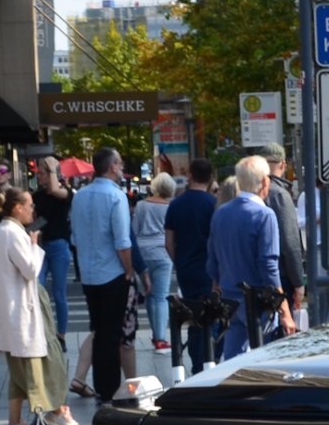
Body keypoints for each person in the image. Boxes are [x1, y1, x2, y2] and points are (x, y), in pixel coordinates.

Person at [0, 185, 77, 425]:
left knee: (18, 373)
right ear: (18, 208)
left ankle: (14, 423)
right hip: (22, 314)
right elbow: (31, 270)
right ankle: (54, 412)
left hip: (7, 313)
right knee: (40, 367)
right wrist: (34, 244)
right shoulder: (14, 234)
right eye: (29, 206)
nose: (32, 210)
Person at [69, 146, 135, 401]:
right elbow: (123, 242)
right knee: (111, 333)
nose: (121, 167)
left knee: (99, 329)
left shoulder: (79, 196)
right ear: (112, 167)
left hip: (89, 274)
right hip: (112, 274)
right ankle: (108, 389)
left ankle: (101, 386)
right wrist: (128, 270)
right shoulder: (116, 197)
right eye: (119, 163)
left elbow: (75, 237)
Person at [207, 155, 283, 360]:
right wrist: (282, 306)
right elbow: (268, 265)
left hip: (230, 297)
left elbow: (212, 261)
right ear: (265, 181)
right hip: (259, 301)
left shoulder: (220, 213)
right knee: (268, 360)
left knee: (233, 358)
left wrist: (222, 282)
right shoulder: (264, 215)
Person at [164, 157, 221, 374]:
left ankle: (197, 364)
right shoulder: (213, 205)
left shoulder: (175, 205)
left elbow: (168, 242)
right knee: (211, 317)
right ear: (210, 177)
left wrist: (179, 261)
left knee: (192, 317)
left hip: (186, 270)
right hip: (209, 272)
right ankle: (208, 362)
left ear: (189, 175)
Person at [257, 143, 310, 333]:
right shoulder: (279, 194)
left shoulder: (249, 191)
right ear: (283, 164)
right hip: (280, 276)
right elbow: (290, 242)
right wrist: (298, 282)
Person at [132, 172, 176, 368]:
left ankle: (155, 335)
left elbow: (134, 230)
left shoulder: (141, 205)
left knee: (150, 295)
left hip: (142, 252)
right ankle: (159, 338)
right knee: (160, 296)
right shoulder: (171, 207)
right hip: (163, 253)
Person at [31, 162, 73, 338]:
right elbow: (34, 219)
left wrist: (53, 168)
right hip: (42, 245)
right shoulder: (37, 196)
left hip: (59, 246)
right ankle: (42, 330)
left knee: (58, 293)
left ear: (51, 175)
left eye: (41, 173)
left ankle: (61, 335)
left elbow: (56, 191)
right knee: (36, 287)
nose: (37, 176)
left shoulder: (64, 193)